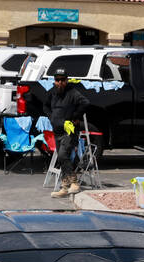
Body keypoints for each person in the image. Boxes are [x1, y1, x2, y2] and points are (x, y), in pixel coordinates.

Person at [46, 67, 90, 199]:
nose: (60, 82)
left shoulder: (73, 92)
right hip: (57, 130)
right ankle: (64, 187)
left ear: (66, 80)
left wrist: (75, 117)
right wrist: (51, 116)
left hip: (69, 131)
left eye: (62, 80)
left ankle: (75, 183)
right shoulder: (52, 92)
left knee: (63, 154)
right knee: (61, 158)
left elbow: (85, 103)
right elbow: (45, 106)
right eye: (57, 80)